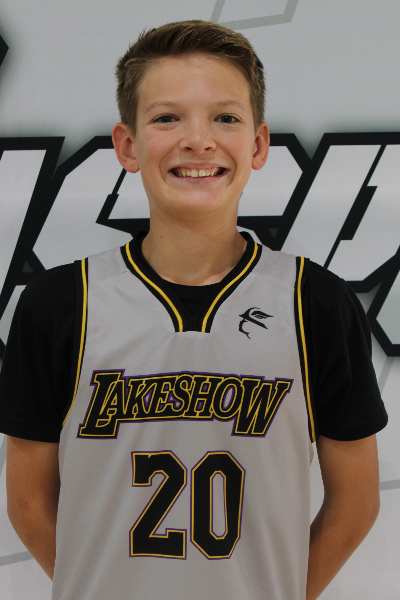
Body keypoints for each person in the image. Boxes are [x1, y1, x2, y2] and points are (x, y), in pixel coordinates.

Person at [0, 20, 388, 600]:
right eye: (167, 118)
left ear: (258, 145)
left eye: (225, 118)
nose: (199, 140)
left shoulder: (315, 301)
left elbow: (355, 501)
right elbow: (28, 500)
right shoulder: (61, 302)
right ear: (128, 145)